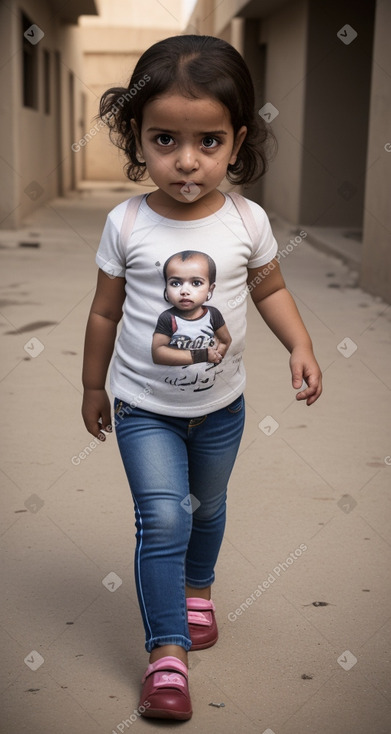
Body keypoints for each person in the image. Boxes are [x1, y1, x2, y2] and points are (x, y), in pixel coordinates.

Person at [81, 34, 322, 721]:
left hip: (221, 409)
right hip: (142, 408)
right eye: (163, 139)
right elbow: (105, 312)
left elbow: (271, 291)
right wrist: (94, 386)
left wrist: (298, 344)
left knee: (206, 510)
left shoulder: (247, 220)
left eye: (208, 142)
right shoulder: (125, 223)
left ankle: (197, 590)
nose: (186, 161)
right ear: (136, 136)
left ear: (237, 139)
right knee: (162, 516)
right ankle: (166, 656)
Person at [152, 250, 232, 368]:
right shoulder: (168, 318)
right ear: (166, 289)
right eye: (175, 284)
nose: (184, 291)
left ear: (210, 289)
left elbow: (225, 340)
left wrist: (217, 356)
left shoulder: (213, 315)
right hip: (173, 382)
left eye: (196, 283)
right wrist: (202, 355)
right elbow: (158, 353)